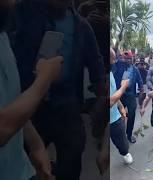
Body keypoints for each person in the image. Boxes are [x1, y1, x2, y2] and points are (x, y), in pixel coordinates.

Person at [10, 0, 105, 179]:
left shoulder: (81, 26)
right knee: (27, 164)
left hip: (67, 104)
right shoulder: (24, 15)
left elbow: (96, 62)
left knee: (71, 161)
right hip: (31, 105)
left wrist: (103, 95)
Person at [0, 1, 64, 180]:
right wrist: (44, 79)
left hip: (20, 169)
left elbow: (10, 100)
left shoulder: (3, 34)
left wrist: (35, 144)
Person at [106, 47, 133, 166]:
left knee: (122, 142)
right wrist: (123, 87)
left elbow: (113, 91)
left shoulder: (111, 72)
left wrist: (121, 106)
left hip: (114, 118)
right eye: (112, 59)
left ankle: (125, 152)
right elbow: (110, 101)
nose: (114, 62)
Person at [114, 50, 143, 143]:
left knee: (131, 115)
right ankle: (119, 134)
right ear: (122, 59)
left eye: (129, 59)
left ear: (132, 59)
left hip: (130, 95)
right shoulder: (118, 65)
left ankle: (129, 135)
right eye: (125, 59)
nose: (128, 60)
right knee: (118, 116)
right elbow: (114, 54)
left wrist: (142, 91)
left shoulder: (135, 70)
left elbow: (140, 82)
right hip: (120, 95)